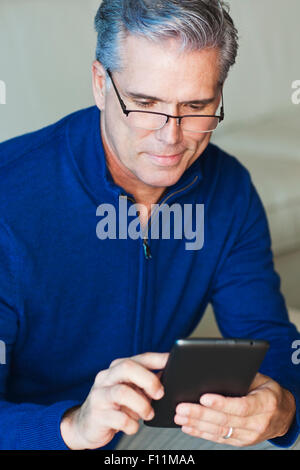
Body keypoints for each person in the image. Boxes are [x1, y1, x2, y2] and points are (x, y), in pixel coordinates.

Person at [0, 0, 299, 451]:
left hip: (153, 422)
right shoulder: (9, 199)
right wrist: (71, 426)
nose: (171, 136)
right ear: (101, 84)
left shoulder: (229, 188)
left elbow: (270, 337)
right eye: (145, 103)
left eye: (197, 105)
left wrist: (282, 408)